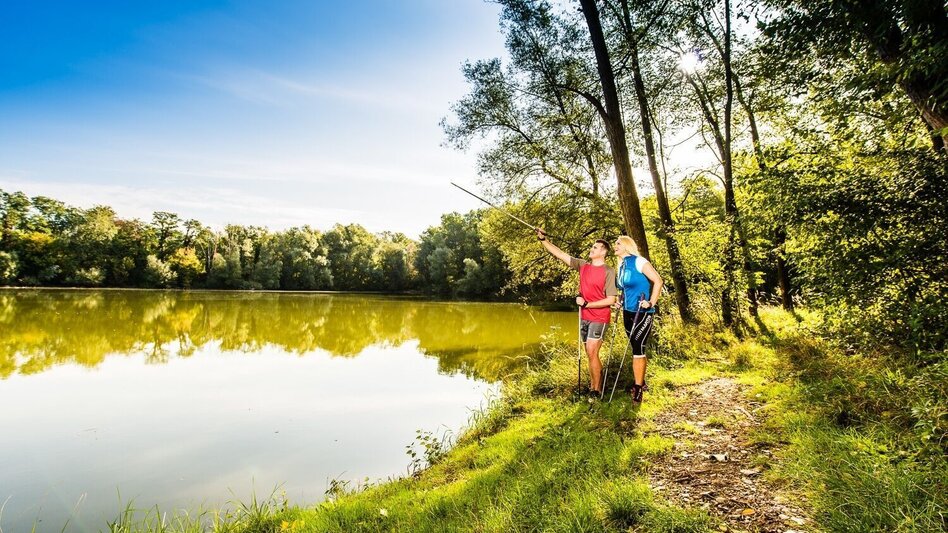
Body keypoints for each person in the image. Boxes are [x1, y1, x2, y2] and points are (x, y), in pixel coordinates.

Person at [537, 228, 617, 396]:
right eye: (592, 247)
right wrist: (543, 240)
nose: (591, 249)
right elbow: (559, 254)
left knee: (592, 352)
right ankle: (592, 386)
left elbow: (611, 300)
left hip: (600, 317)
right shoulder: (582, 265)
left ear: (603, 252)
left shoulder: (608, 271)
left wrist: (587, 304)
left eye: (595, 247)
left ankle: (597, 390)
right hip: (584, 317)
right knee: (590, 354)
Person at [613, 235, 663, 403]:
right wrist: (619, 301)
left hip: (642, 313)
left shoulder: (639, 261)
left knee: (637, 349)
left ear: (627, 246)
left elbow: (658, 281)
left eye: (618, 243)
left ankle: (638, 389)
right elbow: (624, 289)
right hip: (627, 313)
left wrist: (650, 302)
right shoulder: (621, 266)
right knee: (637, 347)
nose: (615, 246)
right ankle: (642, 380)